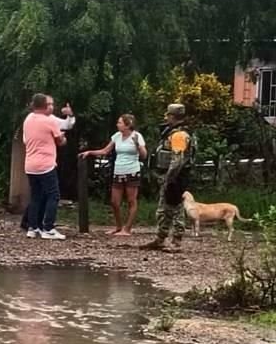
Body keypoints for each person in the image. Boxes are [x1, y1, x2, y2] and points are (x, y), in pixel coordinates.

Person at [79, 114, 148, 235]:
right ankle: (118, 226)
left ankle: (127, 228)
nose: (117, 124)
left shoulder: (136, 136)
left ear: (127, 125)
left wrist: (137, 144)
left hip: (132, 170)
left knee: (131, 200)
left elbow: (144, 155)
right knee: (114, 201)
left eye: (120, 123)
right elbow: (105, 150)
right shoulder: (117, 136)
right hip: (118, 170)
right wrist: (90, 152)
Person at [142, 103, 195, 251]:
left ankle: (176, 241)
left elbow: (177, 159)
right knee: (164, 208)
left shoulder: (178, 135)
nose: (166, 118)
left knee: (175, 207)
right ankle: (160, 238)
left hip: (175, 177)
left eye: (168, 115)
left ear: (172, 116)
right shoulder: (177, 132)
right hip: (172, 175)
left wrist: (169, 178)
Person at [19, 99, 75, 231]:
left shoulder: (29, 119)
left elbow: (26, 140)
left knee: (36, 196)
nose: (52, 107)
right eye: (49, 104)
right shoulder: (48, 121)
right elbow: (61, 140)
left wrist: (70, 115)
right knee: (53, 195)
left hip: (31, 163)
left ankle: (33, 226)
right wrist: (60, 138)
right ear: (43, 106)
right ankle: (48, 228)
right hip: (45, 164)